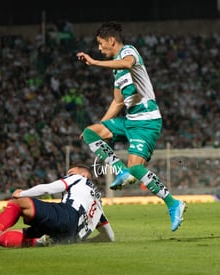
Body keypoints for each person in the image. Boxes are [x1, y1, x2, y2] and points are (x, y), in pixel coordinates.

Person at [76, 21, 185, 232]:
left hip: (146, 120)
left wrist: (94, 62)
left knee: (136, 167)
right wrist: (103, 126)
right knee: (91, 132)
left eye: (100, 44)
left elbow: (127, 64)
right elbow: (118, 102)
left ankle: (173, 204)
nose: (99, 49)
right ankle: (120, 171)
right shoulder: (116, 71)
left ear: (111, 40)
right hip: (130, 120)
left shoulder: (128, 51)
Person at [0, 165, 114, 248]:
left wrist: (22, 193)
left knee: (18, 202)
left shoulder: (78, 178)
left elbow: (48, 189)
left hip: (67, 215)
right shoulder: (98, 203)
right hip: (71, 236)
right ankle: (41, 241)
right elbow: (109, 236)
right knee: (6, 239)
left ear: (83, 174)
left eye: (71, 171)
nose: (68, 173)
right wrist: (85, 241)